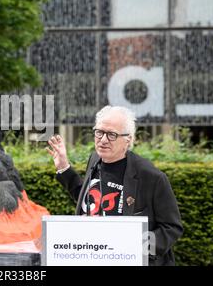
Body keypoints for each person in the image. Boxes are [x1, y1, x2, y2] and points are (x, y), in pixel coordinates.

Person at [46, 105, 183, 266]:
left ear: (128, 139)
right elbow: (91, 200)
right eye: (99, 132)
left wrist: (132, 250)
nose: (103, 140)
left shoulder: (151, 176)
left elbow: (171, 227)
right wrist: (64, 168)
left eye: (111, 135)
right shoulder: (95, 159)